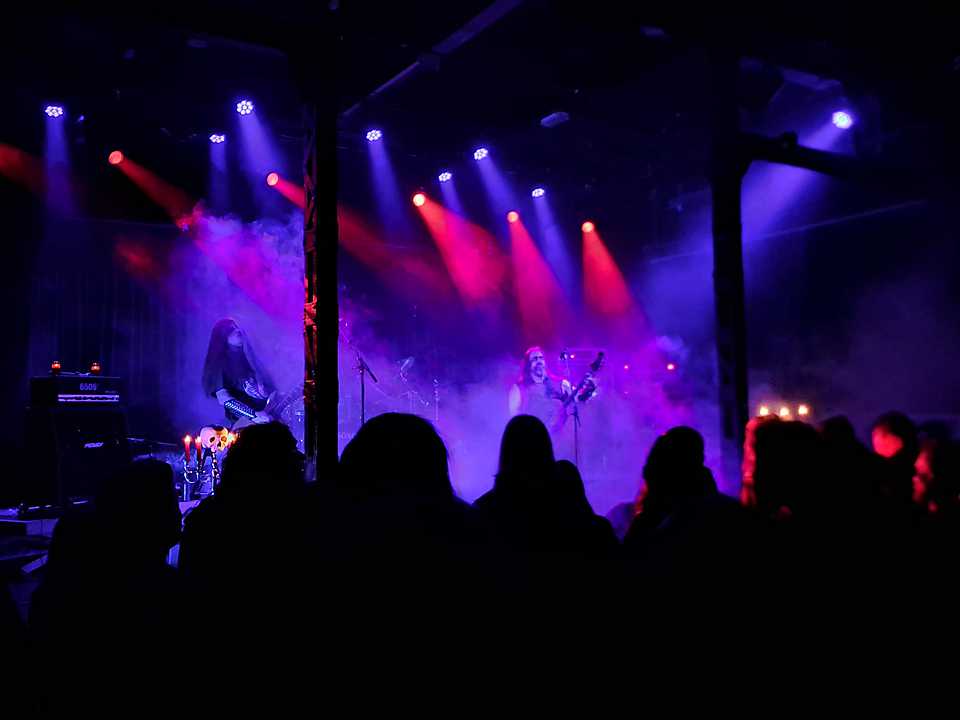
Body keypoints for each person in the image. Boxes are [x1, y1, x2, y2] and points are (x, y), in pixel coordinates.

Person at [202, 318, 276, 427]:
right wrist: (253, 415)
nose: (238, 330)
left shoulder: (249, 358)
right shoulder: (220, 363)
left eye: (237, 327)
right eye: (231, 330)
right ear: (223, 337)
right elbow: (223, 398)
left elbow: (270, 391)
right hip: (244, 426)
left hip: (266, 421)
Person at [508, 346, 573, 432]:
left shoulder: (561, 384)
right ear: (528, 365)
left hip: (559, 437)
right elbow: (514, 417)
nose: (539, 361)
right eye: (534, 359)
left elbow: (574, 408)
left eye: (541, 358)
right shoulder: (519, 388)